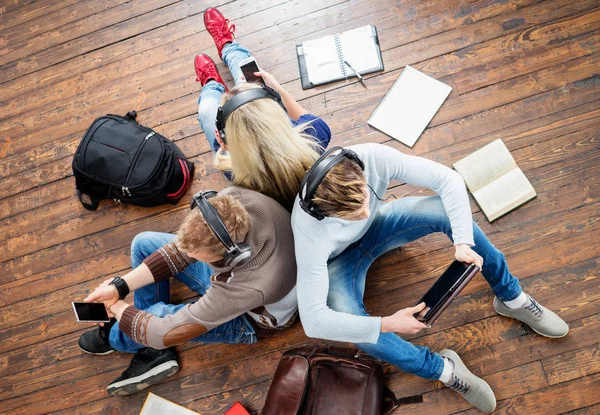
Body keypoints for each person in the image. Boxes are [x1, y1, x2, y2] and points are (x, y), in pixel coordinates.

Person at [291, 144, 569, 413]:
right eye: (353, 215)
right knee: (362, 333)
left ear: (360, 171)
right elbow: (314, 321)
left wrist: (462, 242)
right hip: (339, 264)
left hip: (381, 226)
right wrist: (388, 323)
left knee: (446, 212)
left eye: (365, 200)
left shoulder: (372, 156)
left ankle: (512, 297)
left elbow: (448, 179)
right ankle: (444, 370)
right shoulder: (308, 231)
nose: (364, 214)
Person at [78, 187, 298, 395]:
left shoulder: (250, 284)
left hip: (252, 318)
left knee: (154, 320)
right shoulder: (231, 200)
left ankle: (117, 339)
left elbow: (161, 333)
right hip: (240, 280)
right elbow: (181, 251)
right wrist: (119, 287)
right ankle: (153, 349)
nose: (188, 255)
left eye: (195, 254)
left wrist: (117, 308)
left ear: (229, 255)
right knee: (143, 243)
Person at [195, 7, 331, 211]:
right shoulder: (313, 136)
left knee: (208, 110)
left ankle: (213, 83)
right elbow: (301, 116)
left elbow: (223, 156)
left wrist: (221, 146)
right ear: (277, 113)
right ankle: (227, 46)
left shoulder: (236, 173)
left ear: (225, 140)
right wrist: (276, 88)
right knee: (245, 73)